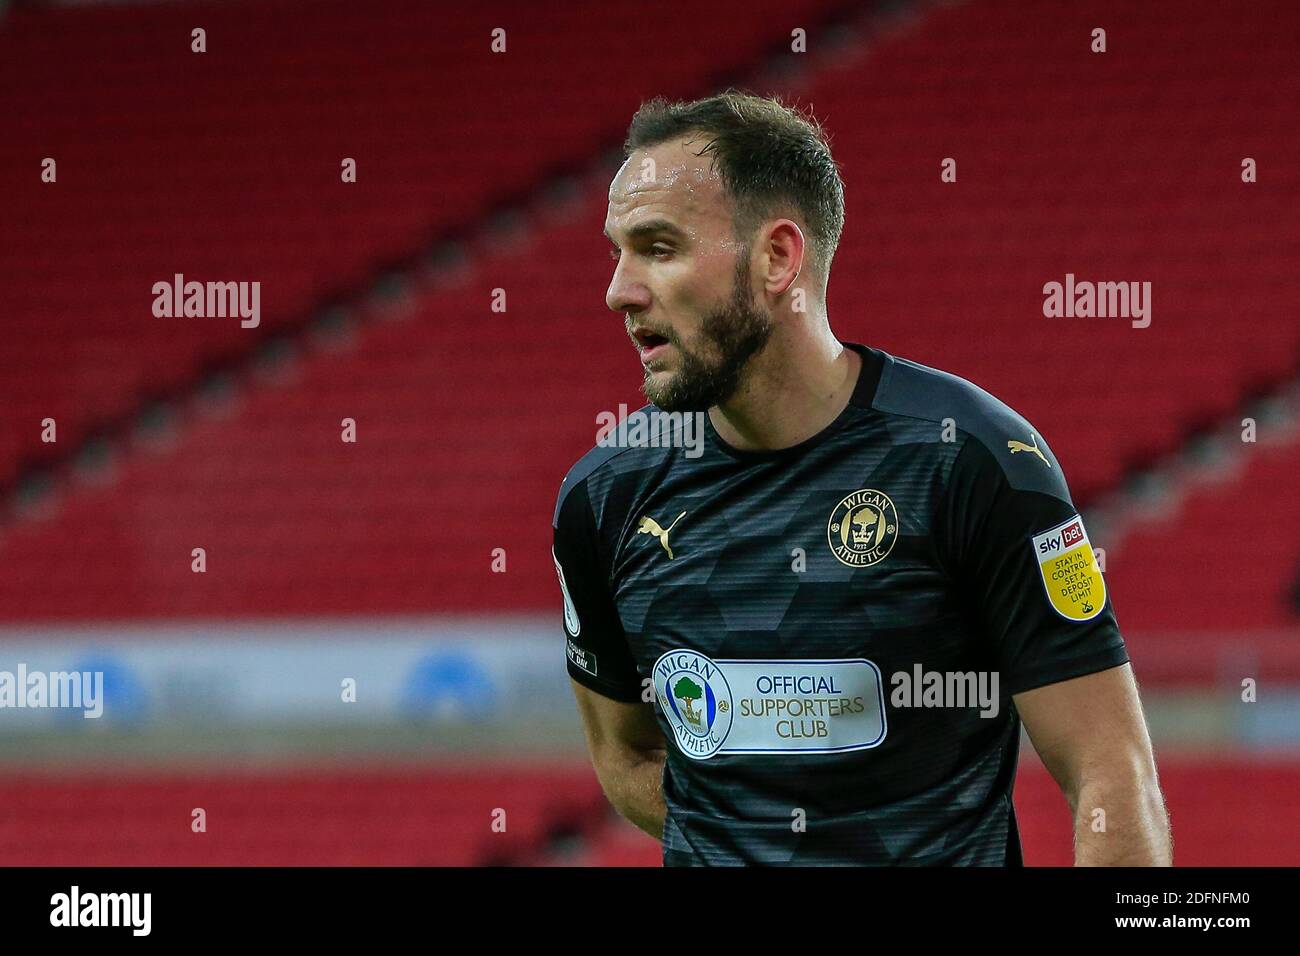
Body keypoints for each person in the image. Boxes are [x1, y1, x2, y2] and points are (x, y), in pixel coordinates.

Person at [552, 91, 1172, 865]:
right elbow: (626, 756)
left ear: (778, 257)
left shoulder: (973, 461)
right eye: (616, 251)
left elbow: (1111, 772)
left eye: (659, 247)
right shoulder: (604, 499)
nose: (619, 289)